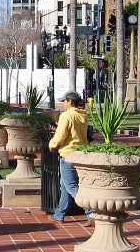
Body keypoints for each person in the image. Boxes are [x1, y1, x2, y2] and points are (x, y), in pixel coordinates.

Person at [48, 90, 94, 226]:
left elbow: (62, 135)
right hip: (80, 154)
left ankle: (91, 212)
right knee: (65, 186)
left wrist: (52, 144)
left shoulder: (66, 116)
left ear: (70, 102)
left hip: (67, 155)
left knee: (71, 186)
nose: (63, 104)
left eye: (64, 101)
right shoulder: (82, 116)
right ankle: (59, 214)